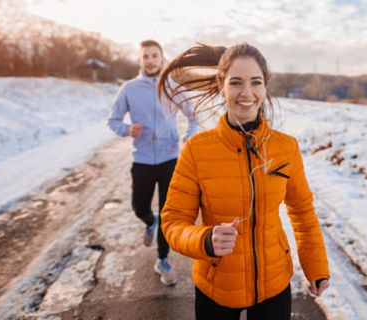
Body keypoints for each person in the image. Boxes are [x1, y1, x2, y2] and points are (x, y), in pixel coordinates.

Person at [158, 43, 330, 319]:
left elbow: (303, 213)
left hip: (274, 285)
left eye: (256, 83)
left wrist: (316, 266)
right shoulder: (196, 150)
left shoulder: (286, 148)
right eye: (236, 82)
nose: (246, 93)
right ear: (221, 85)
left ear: (265, 87)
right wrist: (204, 240)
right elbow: (173, 221)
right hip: (217, 287)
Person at [107, 39, 197, 286]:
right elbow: (113, 120)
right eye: (145, 56)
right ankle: (149, 221)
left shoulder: (173, 87)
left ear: (161, 58)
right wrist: (127, 129)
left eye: (154, 56)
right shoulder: (129, 89)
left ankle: (163, 259)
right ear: (140, 60)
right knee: (139, 206)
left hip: (170, 159)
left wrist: (189, 136)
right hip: (143, 159)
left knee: (168, 213)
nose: (150, 60)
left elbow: (193, 117)